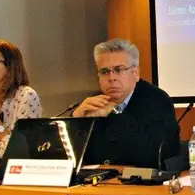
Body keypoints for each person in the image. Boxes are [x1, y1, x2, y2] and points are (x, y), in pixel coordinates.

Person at [75, 38, 180, 169]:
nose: (111, 78)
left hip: (140, 180)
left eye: (119, 69)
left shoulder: (157, 100)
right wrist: (76, 120)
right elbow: (70, 158)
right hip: (99, 179)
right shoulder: (94, 103)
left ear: (135, 73)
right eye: (104, 72)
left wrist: (114, 113)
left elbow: (152, 154)